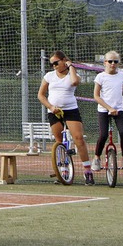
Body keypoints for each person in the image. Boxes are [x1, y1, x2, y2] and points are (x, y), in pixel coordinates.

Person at [37, 51, 95, 185]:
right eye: (52, 64)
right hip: (54, 111)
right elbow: (40, 95)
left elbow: (75, 82)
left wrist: (71, 66)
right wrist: (51, 107)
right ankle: (63, 171)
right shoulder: (49, 76)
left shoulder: (72, 74)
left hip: (70, 110)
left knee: (79, 139)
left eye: (56, 63)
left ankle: (88, 171)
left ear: (63, 61)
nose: (54, 66)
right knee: (59, 142)